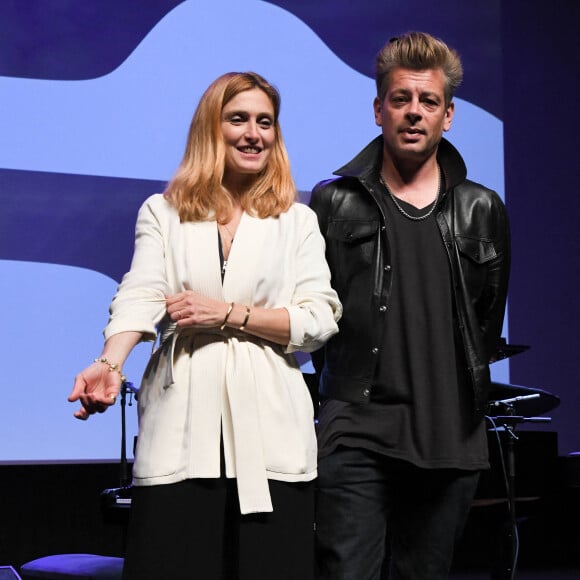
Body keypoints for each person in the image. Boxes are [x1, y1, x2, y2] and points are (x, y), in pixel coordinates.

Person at [68, 71, 341, 580]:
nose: (253, 133)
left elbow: (319, 318)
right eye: (238, 119)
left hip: (272, 437)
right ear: (210, 129)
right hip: (180, 433)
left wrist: (231, 314)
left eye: (266, 122)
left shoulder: (297, 220)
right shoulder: (164, 213)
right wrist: (110, 360)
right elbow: (141, 293)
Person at [309, 32, 510, 580]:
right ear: (379, 110)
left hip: (450, 433)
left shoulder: (482, 208)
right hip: (356, 428)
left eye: (428, 102)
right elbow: (316, 312)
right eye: (401, 100)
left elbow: (486, 318)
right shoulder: (334, 200)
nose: (414, 113)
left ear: (449, 116)